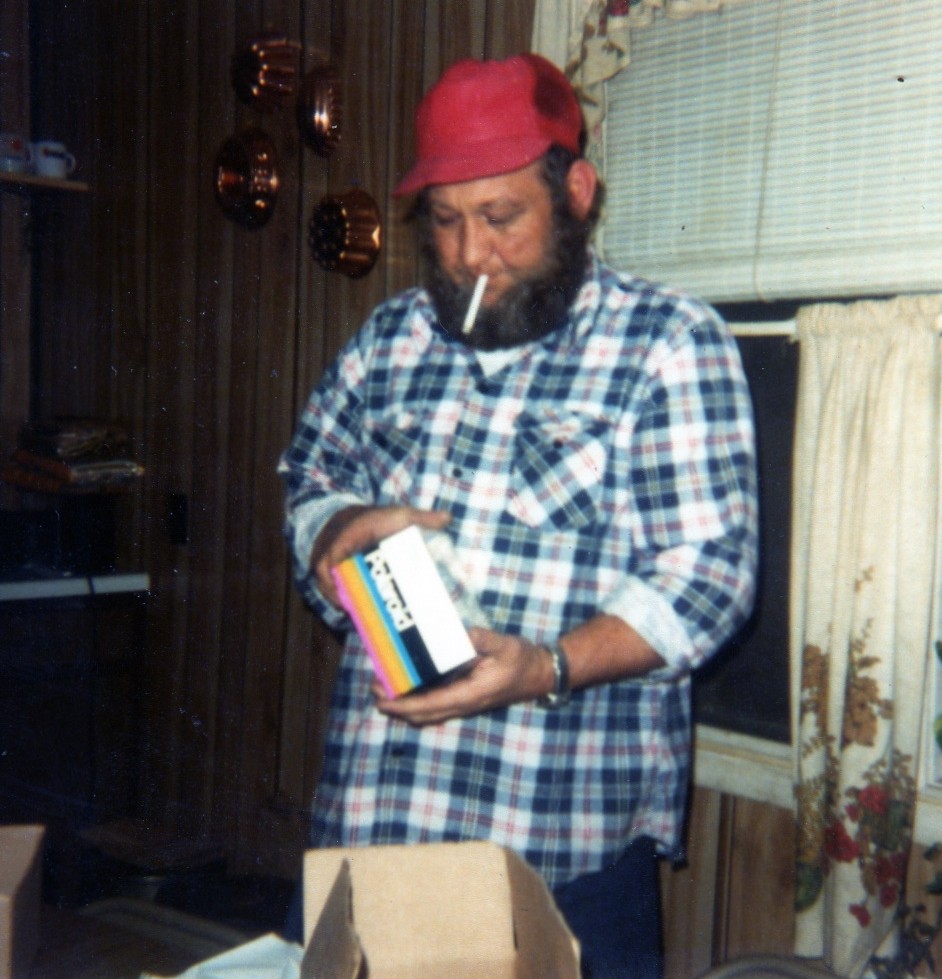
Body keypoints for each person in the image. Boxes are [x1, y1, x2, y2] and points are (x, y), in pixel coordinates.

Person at [279, 53, 758, 978]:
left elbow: (709, 576)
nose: (469, 254)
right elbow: (312, 474)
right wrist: (331, 529)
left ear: (576, 193)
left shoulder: (665, 342)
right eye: (445, 219)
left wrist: (546, 667)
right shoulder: (390, 339)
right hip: (369, 829)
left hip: (558, 852)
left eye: (501, 217)